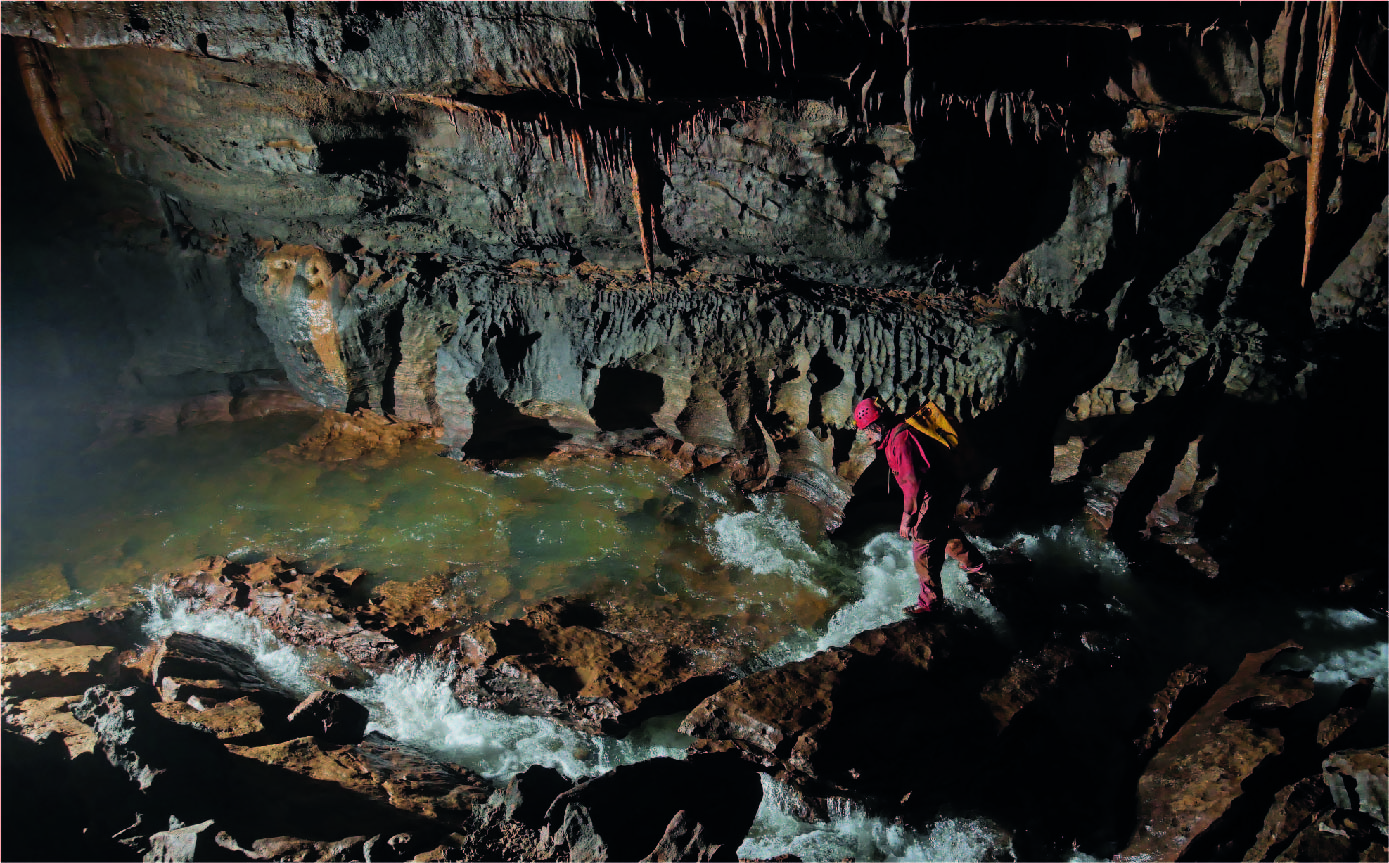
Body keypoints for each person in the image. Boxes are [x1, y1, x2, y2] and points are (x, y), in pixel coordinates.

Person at [854, 396, 989, 616]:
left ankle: (930, 605)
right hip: (946, 486)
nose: (867, 436)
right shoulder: (899, 429)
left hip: (933, 494)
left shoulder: (900, 440)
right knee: (943, 531)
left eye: (867, 430)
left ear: (877, 425)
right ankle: (979, 568)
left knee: (922, 546)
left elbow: (912, 483)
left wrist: (907, 518)